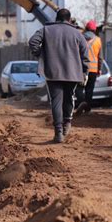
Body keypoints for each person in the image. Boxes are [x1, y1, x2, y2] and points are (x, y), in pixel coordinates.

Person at [29, 8, 89, 143]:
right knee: (69, 98)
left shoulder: (46, 30)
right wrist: (85, 71)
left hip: (53, 72)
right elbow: (85, 54)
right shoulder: (77, 33)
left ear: (56, 18)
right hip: (72, 73)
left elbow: (33, 42)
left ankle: (58, 133)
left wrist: (41, 54)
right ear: (69, 19)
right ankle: (67, 123)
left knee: (56, 101)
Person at [76, 20, 102, 115]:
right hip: (93, 70)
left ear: (86, 28)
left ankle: (81, 102)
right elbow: (100, 57)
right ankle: (87, 109)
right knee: (89, 89)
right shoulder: (98, 40)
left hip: (81, 68)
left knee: (79, 88)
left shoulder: (79, 38)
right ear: (95, 30)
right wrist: (99, 69)